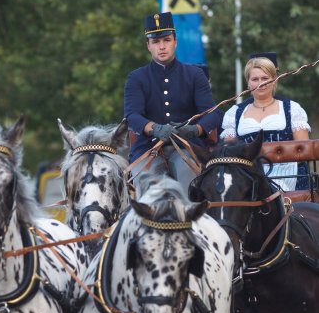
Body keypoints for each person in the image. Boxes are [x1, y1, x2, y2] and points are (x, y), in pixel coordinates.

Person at [124, 12, 222, 194]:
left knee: (189, 182)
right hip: (149, 147)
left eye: (166, 40)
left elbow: (212, 113)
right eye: (156, 42)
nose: (162, 46)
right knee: (147, 187)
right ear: (148, 46)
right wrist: (154, 128)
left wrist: (194, 130)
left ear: (175, 42)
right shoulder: (136, 78)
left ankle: (190, 221)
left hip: (187, 146)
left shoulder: (194, 75)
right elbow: (132, 116)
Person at [220, 52, 310, 191]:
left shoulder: (292, 109)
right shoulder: (234, 113)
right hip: (249, 178)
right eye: (255, 79)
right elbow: (229, 152)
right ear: (248, 82)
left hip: (288, 177)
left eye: (265, 78)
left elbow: (304, 152)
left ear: (274, 79)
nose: (260, 83)